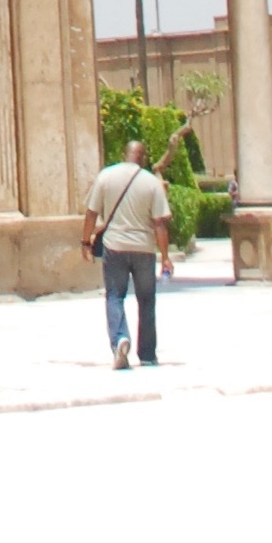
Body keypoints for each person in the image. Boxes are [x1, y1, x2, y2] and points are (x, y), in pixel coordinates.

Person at [85, 138, 172, 369]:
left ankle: (120, 339)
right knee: (146, 300)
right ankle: (147, 354)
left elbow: (91, 213)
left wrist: (85, 242)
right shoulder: (152, 183)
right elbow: (160, 224)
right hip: (144, 249)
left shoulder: (105, 176)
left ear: (125, 154)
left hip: (115, 247)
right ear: (143, 157)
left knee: (115, 295)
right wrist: (165, 257)